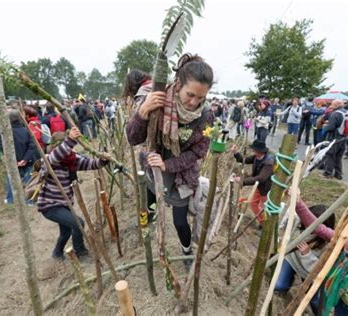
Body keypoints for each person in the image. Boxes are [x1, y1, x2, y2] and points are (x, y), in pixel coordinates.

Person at [126, 53, 214, 270]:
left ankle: (186, 251)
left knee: (180, 222)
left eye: (200, 98)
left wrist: (169, 165)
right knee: (148, 205)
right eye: (190, 95)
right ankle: (147, 233)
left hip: (182, 174)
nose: (194, 103)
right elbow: (133, 138)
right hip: (153, 168)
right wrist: (144, 111)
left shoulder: (205, 115)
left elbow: (198, 152)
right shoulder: (157, 101)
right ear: (178, 84)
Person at [37, 127, 110, 260]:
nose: (68, 151)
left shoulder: (71, 160)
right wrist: (70, 140)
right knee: (78, 223)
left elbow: (90, 163)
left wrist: (103, 159)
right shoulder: (48, 160)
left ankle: (57, 253)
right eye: (66, 146)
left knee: (65, 231)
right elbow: (57, 155)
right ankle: (80, 252)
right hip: (50, 206)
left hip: (63, 204)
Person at [275, 204, 335, 295]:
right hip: (291, 259)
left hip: (307, 271)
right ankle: (288, 277)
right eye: (308, 220)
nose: (309, 225)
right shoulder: (298, 222)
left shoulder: (328, 244)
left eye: (315, 225)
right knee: (279, 287)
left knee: (312, 297)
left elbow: (318, 269)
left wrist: (307, 254)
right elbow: (287, 215)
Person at [231, 139, 274, 223]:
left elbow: (261, 178)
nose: (253, 150)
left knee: (266, 209)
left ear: (259, 151)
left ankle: (268, 225)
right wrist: (235, 153)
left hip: (266, 189)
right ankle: (262, 222)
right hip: (258, 186)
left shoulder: (268, 163)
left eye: (254, 149)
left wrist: (243, 180)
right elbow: (245, 160)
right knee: (253, 204)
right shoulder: (256, 157)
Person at [4, 110, 37, 204]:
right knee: (29, 180)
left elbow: (4, 148)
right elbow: (32, 146)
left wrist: (21, 160)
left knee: (12, 179)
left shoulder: (6, 133)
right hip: (26, 160)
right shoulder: (26, 131)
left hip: (18, 161)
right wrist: (25, 159)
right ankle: (29, 200)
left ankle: (11, 199)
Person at [322, 100, 348, 180]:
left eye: (332, 104)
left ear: (336, 105)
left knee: (330, 155)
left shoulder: (335, 113)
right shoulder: (346, 112)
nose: (331, 105)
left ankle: (328, 173)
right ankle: (338, 174)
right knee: (338, 157)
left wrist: (326, 126)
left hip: (334, 137)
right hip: (343, 137)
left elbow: (331, 127)